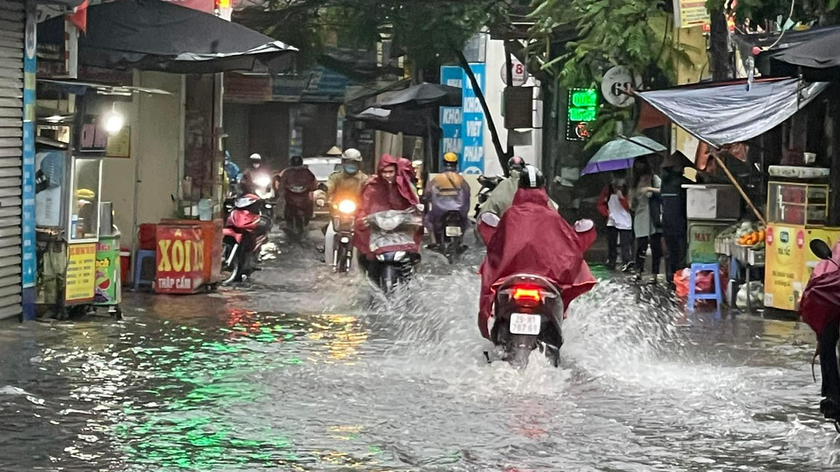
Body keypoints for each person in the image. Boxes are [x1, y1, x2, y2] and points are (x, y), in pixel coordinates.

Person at [478, 165, 597, 340]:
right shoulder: (553, 216)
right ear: (543, 187)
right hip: (546, 283)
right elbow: (570, 245)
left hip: (511, 281)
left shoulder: (510, 214)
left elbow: (495, 244)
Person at [353, 154, 421, 274]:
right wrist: (361, 219)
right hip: (378, 230)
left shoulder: (404, 185)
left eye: (391, 172)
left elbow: (413, 202)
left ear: (396, 171)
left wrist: (416, 216)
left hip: (400, 229)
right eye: (384, 172)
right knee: (364, 250)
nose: (388, 175)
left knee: (414, 254)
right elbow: (363, 205)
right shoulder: (372, 186)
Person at [324, 148, 369, 265]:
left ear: (359, 164)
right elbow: (329, 185)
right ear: (343, 163)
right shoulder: (336, 177)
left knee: (365, 237)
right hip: (338, 214)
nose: (351, 165)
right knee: (330, 235)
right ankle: (329, 263)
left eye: (354, 163)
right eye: (348, 162)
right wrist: (321, 193)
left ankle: (363, 262)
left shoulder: (365, 179)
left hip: (357, 215)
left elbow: (370, 192)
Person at [423, 152, 471, 247]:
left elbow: (427, 193)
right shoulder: (461, 179)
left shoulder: (437, 179)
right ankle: (461, 240)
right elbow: (467, 193)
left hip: (440, 211)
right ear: (456, 164)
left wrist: (426, 198)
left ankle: (433, 242)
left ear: (444, 163)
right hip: (459, 211)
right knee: (466, 223)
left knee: (427, 220)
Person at [660, 152, 692, 286]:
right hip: (680, 223)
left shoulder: (664, 183)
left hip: (667, 222)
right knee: (680, 253)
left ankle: (670, 276)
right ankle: (678, 278)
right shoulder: (681, 182)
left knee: (671, 252)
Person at [630, 158, 662, 283]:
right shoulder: (635, 183)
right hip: (640, 216)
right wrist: (633, 198)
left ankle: (654, 274)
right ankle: (638, 271)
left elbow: (663, 191)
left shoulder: (655, 179)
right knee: (641, 245)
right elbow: (632, 205)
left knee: (656, 246)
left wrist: (650, 189)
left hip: (654, 217)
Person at [597, 173, 632, 271]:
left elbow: (630, 207)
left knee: (625, 242)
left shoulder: (627, 190)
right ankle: (611, 260)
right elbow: (600, 203)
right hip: (612, 219)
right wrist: (606, 213)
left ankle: (627, 261)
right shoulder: (607, 189)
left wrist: (622, 198)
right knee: (612, 242)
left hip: (625, 219)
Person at [277, 155, 319, 224]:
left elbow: (313, 183)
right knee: (281, 202)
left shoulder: (305, 172)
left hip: (303, 197)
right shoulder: (288, 172)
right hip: (291, 197)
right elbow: (281, 184)